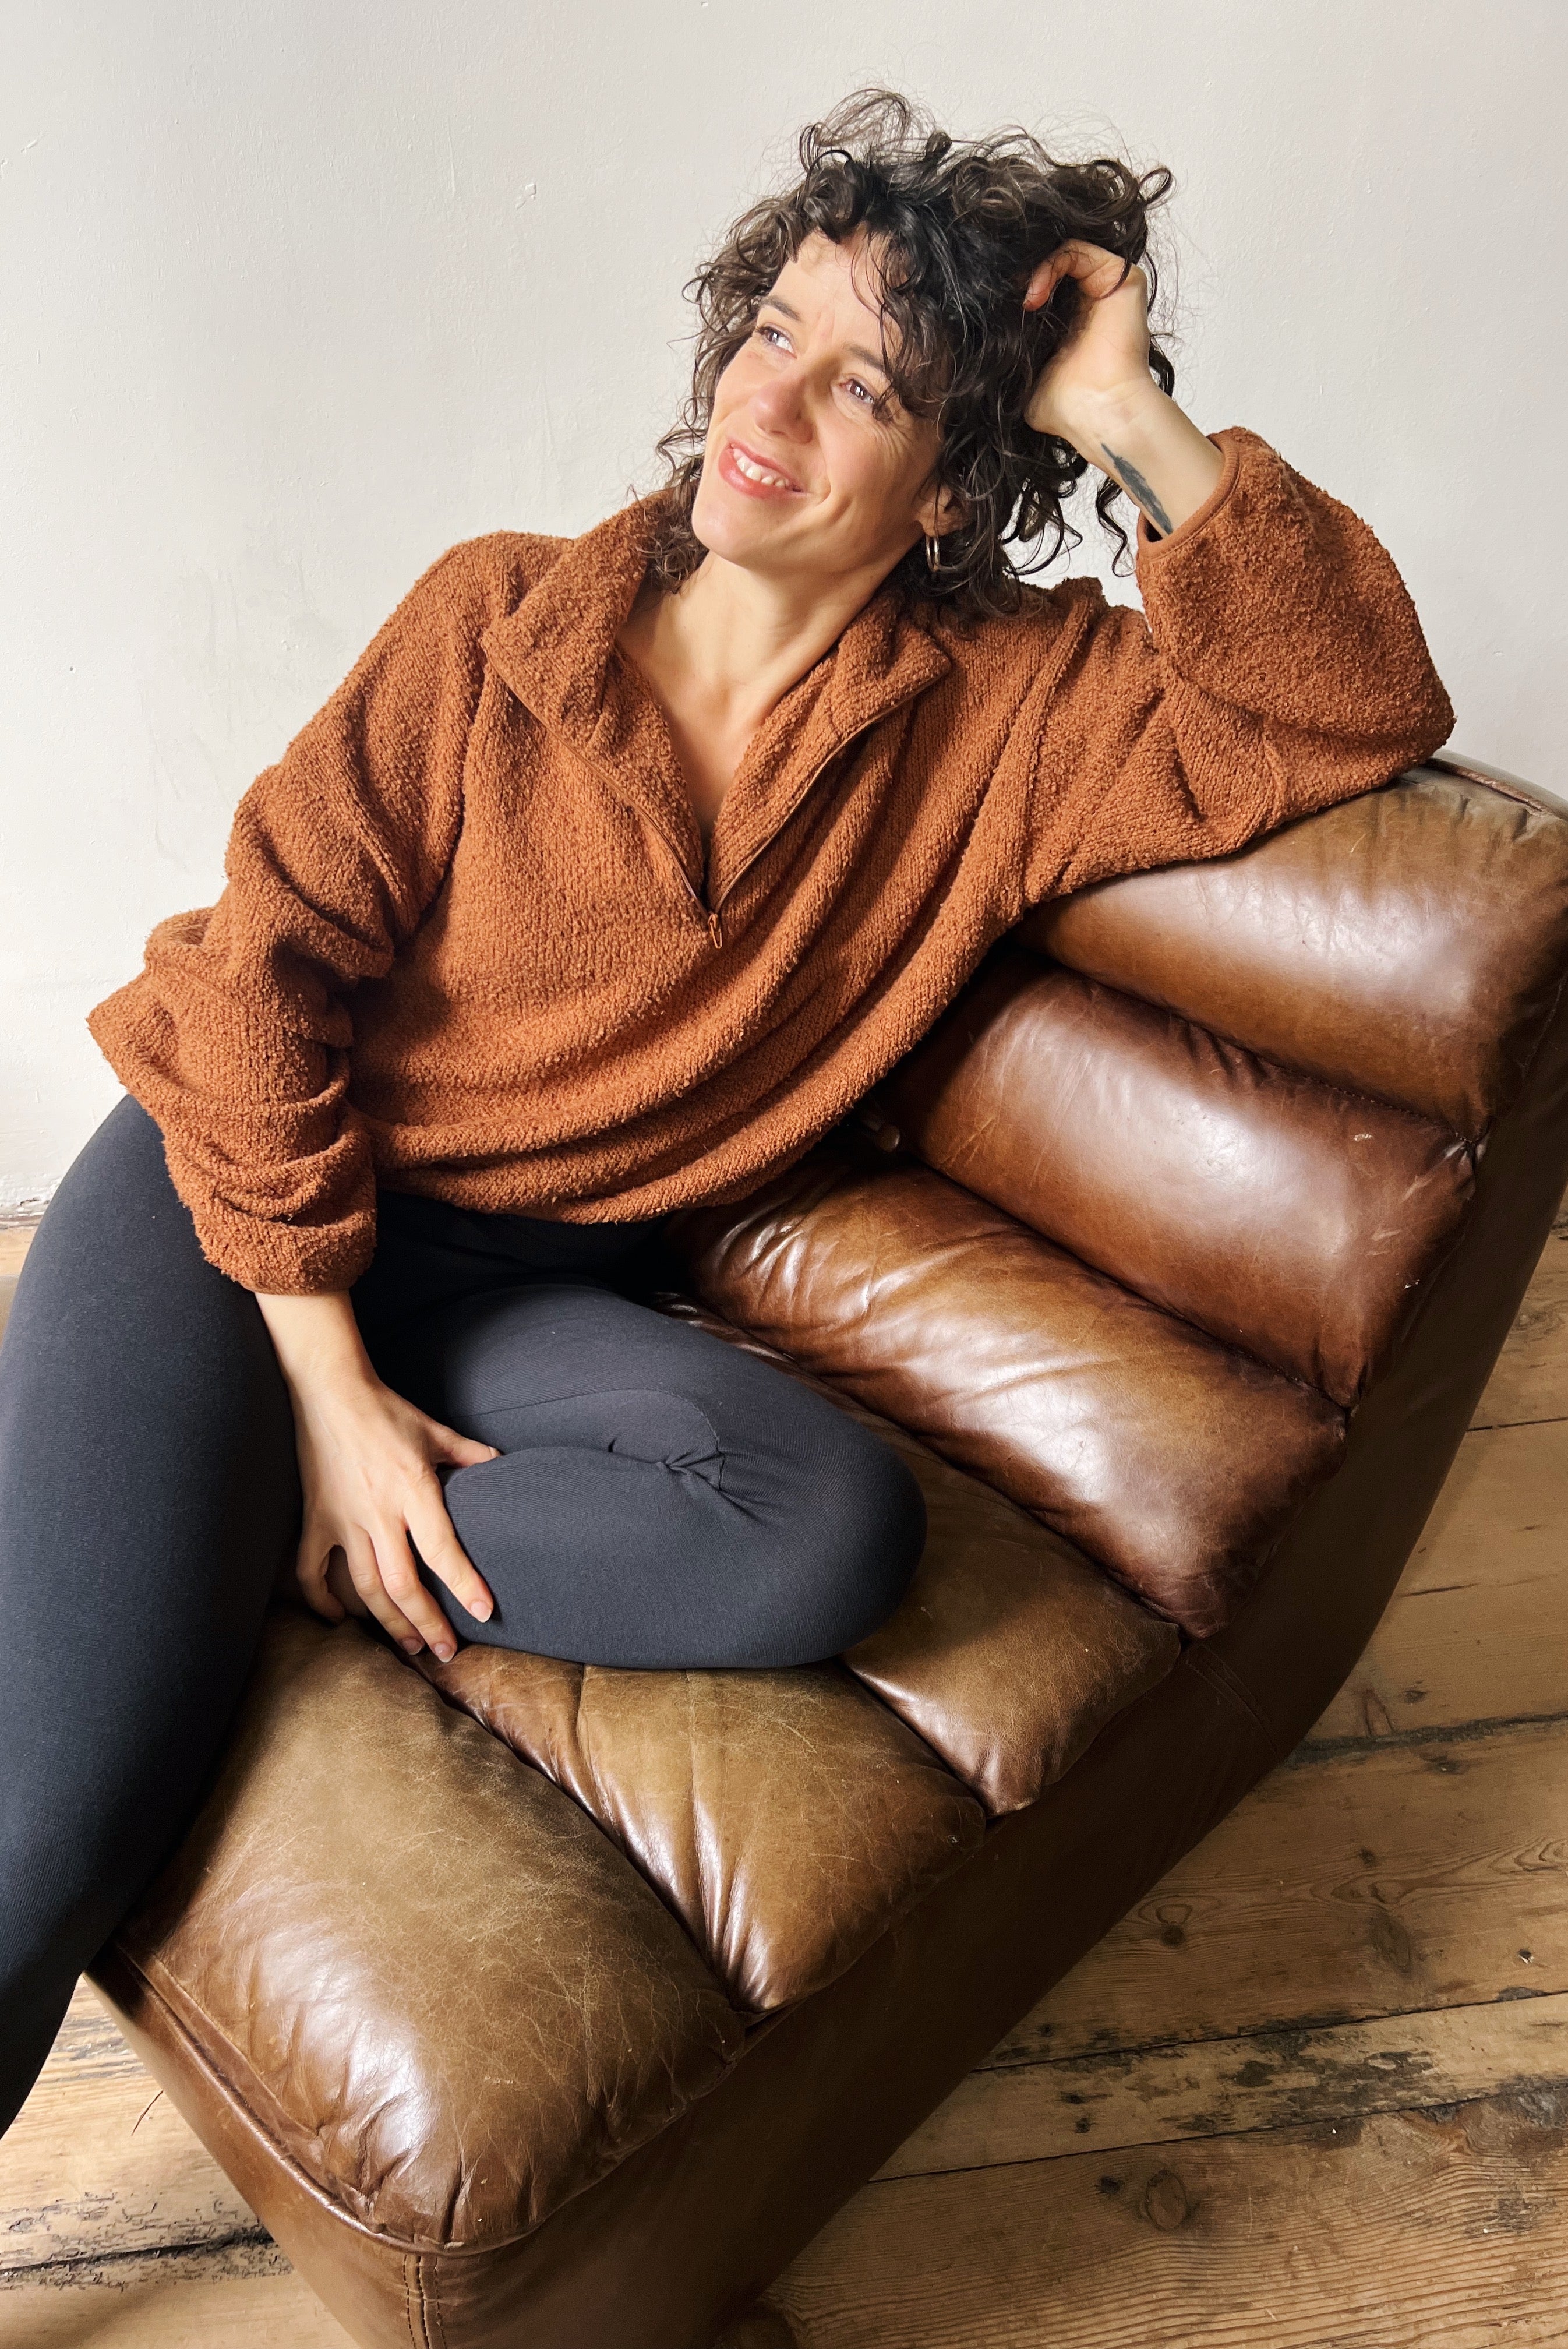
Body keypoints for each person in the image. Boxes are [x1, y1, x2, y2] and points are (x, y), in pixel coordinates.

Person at [0, 88, 1452, 2132]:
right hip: (231, 1209)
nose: (774, 397)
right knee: (50, 1837)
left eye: (869, 383)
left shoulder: (1010, 725)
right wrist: (318, 1389)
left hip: (510, 1292)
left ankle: (215, 1525)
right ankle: (207, 1486)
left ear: (951, 482)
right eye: (772, 327)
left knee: (818, 1533)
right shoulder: (492, 614)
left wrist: (1124, 409)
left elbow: (1351, 698)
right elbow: (251, 984)